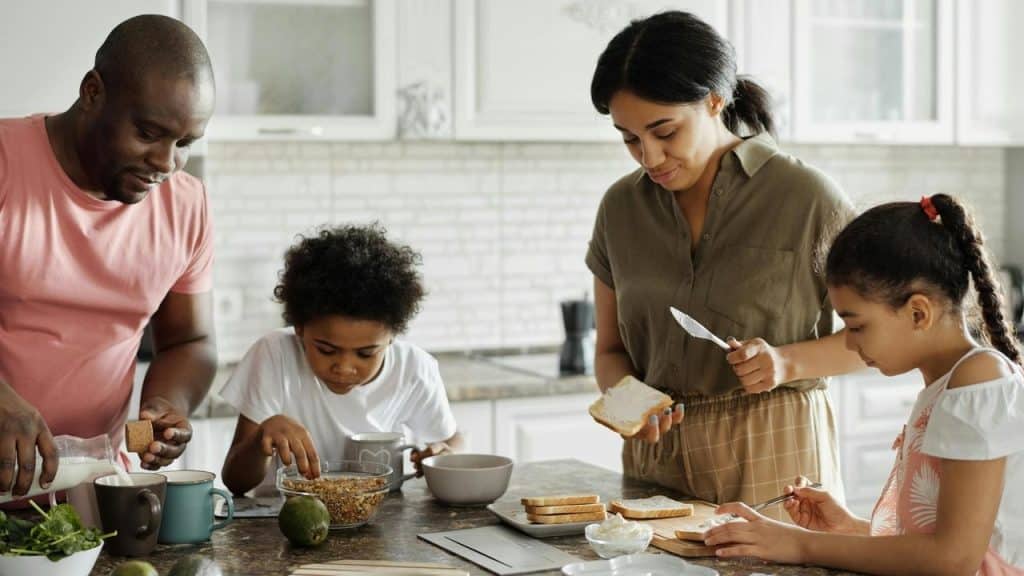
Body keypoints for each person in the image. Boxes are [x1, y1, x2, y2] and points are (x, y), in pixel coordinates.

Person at [586, 10, 864, 516]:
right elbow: (609, 350)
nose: (648, 156)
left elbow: (882, 340)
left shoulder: (806, 197)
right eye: (629, 138)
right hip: (655, 457)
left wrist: (786, 362)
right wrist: (628, 401)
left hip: (775, 451)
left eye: (664, 131)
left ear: (715, 101)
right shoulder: (619, 209)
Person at [706, 194, 1024, 573]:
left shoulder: (978, 381)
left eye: (857, 326)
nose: (852, 343)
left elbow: (953, 559)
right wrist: (849, 529)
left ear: (918, 312)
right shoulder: (948, 383)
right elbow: (931, 541)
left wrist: (801, 544)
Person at [0, 14, 217, 498]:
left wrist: (164, 403)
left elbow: (191, 340)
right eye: (147, 133)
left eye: (184, 144)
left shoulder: (186, 205)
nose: (166, 163)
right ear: (93, 92)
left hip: (94, 489)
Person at [220, 224, 463, 495]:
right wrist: (261, 439)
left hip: (378, 520)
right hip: (284, 521)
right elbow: (235, 480)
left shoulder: (414, 368)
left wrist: (445, 453)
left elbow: (450, 440)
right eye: (326, 350)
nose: (344, 367)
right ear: (299, 328)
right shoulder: (274, 354)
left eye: (365, 353)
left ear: (392, 336)